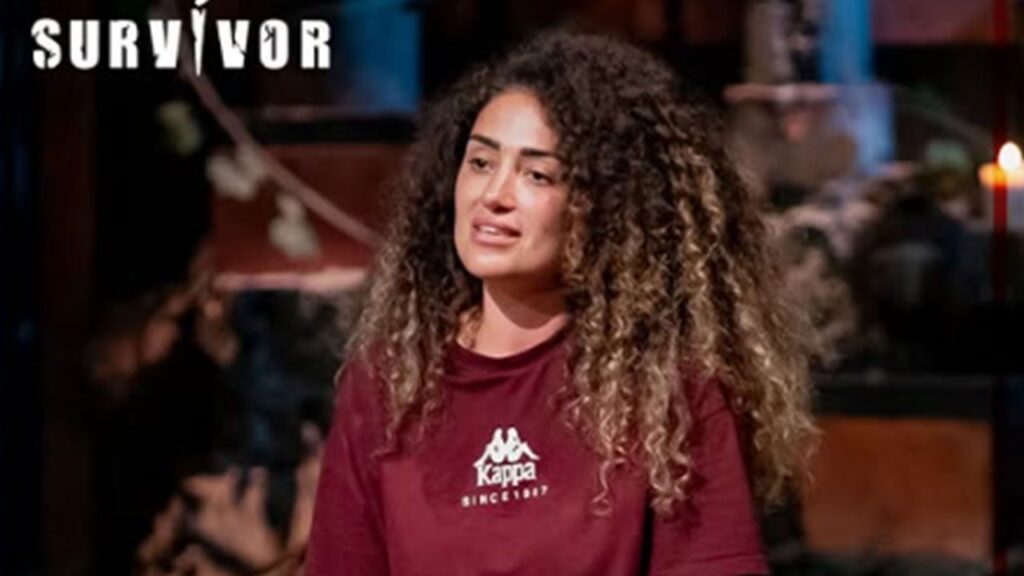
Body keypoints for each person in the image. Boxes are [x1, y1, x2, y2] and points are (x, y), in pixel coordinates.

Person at [307, 31, 817, 576]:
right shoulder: (388, 383)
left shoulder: (670, 389)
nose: (493, 196)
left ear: (606, 206)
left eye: (537, 174)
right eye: (480, 163)